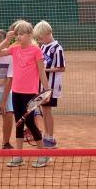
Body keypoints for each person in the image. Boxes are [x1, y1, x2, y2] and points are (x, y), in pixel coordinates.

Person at [0, 20, 47, 168]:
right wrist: (7, 40)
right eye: (17, 34)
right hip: (16, 92)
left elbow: (41, 72)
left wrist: (47, 92)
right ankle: (18, 155)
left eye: (22, 34)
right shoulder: (14, 49)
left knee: (30, 123)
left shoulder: (36, 50)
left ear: (29, 35)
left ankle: (43, 155)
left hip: (31, 93)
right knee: (19, 123)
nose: (19, 37)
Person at [32, 20, 65, 148]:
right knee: (44, 110)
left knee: (47, 110)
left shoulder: (58, 49)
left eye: (41, 37)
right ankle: (46, 136)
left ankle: (50, 137)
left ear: (48, 33)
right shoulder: (43, 47)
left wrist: (44, 70)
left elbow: (62, 68)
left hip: (51, 86)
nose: (40, 40)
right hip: (41, 85)